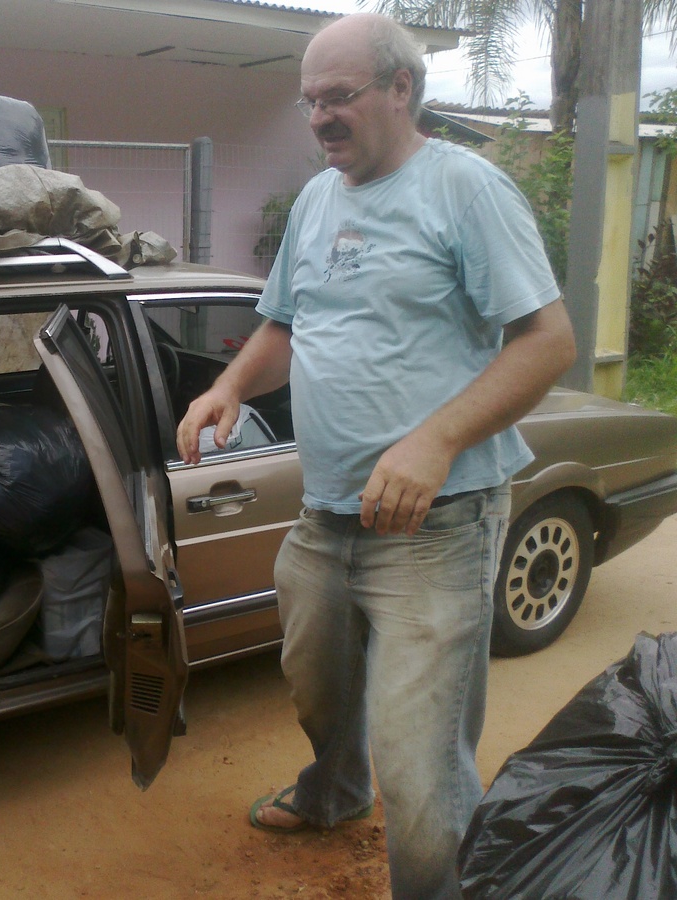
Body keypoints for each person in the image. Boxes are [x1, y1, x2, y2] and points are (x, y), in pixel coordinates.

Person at [176, 13, 576, 900]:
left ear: (401, 88)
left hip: (440, 525)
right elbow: (285, 323)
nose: (319, 116)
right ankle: (334, 790)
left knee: (421, 762)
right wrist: (231, 386)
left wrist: (435, 440)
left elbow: (547, 342)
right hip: (326, 516)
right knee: (318, 689)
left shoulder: (466, 191)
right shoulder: (319, 197)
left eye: (339, 96)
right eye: (309, 99)